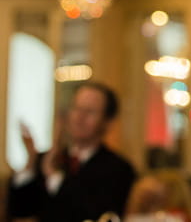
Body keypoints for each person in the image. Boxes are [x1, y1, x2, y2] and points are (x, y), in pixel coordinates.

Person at [7, 81, 136, 222]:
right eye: (76, 108)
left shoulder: (119, 169)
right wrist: (30, 163)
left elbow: (98, 214)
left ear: (107, 121)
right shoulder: (49, 158)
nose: (79, 117)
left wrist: (54, 178)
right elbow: (19, 210)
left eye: (89, 112)